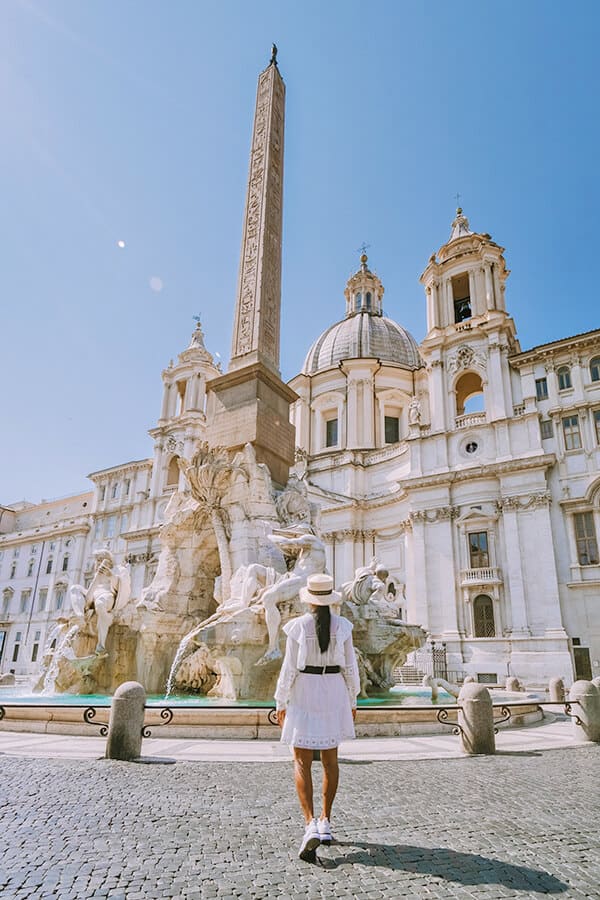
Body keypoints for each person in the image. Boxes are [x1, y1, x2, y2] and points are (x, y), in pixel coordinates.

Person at [274, 572, 361, 861]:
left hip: (304, 690)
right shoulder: (344, 626)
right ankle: (326, 820)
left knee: (300, 761)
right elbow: (351, 667)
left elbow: (288, 669)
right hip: (333, 689)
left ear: (309, 601)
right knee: (330, 760)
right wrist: (352, 698)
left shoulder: (297, 627)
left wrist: (279, 701)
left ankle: (309, 822)